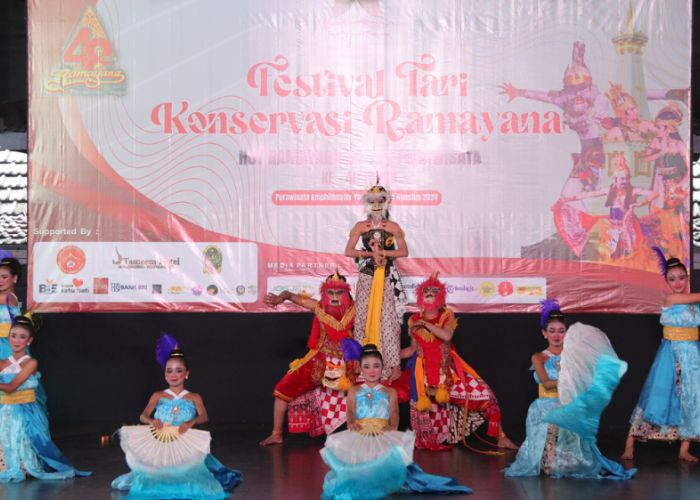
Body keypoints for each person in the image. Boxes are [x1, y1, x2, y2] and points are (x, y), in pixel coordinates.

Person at [320, 343, 471, 500]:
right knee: (357, 464)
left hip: (382, 432)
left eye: (376, 366)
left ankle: (381, 482)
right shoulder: (354, 390)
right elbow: (350, 410)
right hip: (360, 431)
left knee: (386, 459)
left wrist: (393, 425)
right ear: (360, 368)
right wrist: (351, 422)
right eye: (367, 366)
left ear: (383, 367)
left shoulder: (390, 391)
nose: (372, 370)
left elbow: (394, 412)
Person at [504, 300, 635, 479]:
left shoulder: (573, 355)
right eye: (552, 331)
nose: (556, 335)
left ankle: (569, 461)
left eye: (561, 331)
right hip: (545, 404)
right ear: (544, 333)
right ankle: (549, 460)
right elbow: (546, 383)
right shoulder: (539, 357)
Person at [392, 272, 518, 451]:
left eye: (434, 291)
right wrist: (388, 356)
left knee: (486, 398)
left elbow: (446, 335)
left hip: (447, 374)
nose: (429, 294)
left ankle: (501, 437)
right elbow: (412, 350)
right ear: (420, 295)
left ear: (441, 296)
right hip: (421, 375)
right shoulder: (413, 319)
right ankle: (380, 436)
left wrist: (424, 324)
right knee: (387, 392)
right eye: (426, 291)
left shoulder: (446, 315)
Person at [112, 333, 241, 498]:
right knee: (156, 474)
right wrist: (152, 421)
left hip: (185, 444)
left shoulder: (193, 397)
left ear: (186, 373)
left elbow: (204, 416)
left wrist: (191, 422)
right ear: (165, 374)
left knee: (190, 476)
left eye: (178, 371)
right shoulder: (158, 395)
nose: (174, 375)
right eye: (169, 371)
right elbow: (143, 415)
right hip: (161, 442)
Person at [260, 272, 358, 445]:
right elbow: (289, 294)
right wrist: (280, 299)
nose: (334, 297)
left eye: (339, 292)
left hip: (349, 363)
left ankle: (367, 432)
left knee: (373, 390)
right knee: (282, 389)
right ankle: (277, 434)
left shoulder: (357, 309)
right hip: (320, 361)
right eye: (330, 292)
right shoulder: (318, 307)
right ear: (324, 293)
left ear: (346, 292)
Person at [622, 248, 700, 462]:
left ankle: (684, 448)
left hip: (692, 356)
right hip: (672, 354)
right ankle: (630, 442)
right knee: (656, 397)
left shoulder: (692, 303)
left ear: (687, 277)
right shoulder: (671, 298)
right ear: (667, 282)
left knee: (691, 399)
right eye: (672, 279)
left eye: (681, 278)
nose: (677, 282)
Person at [0, 316, 91, 482]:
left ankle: (25, 466)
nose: (17, 340)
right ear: (8, 338)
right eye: (13, 336)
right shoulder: (2, 362)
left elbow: (11, 387)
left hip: (26, 411)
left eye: (22, 337)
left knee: (28, 444)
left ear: (29, 340)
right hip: (5, 411)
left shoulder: (30, 362)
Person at [345, 179, 408, 382]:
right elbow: (348, 250)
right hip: (367, 276)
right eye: (373, 201)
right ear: (368, 203)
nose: (377, 204)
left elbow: (404, 251)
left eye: (381, 200)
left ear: (386, 202)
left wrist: (383, 252)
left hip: (388, 276)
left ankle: (394, 366)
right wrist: (370, 255)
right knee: (362, 316)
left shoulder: (392, 226)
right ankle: (358, 363)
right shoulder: (361, 226)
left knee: (389, 320)